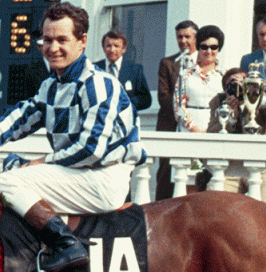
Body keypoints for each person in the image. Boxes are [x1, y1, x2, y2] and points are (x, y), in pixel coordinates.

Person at [0, 2, 146, 272]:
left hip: (103, 178)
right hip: (78, 173)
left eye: (62, 40)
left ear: (82, 41)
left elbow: (92, 149)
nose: (53, 48)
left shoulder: (99, 84)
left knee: (7, 181)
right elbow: (15, 121)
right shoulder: (51, 86)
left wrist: (42, 161)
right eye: (48, 40)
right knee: (10, 164)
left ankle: (68, 246)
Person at [204, 67, 266, 203]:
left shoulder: (259, 97)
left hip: (261, 165)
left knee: (265, 204)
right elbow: (211, 133)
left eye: (243, 82)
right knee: (213, 201)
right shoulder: (219, 102)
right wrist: (230, 118)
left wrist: (258, 97)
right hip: (231, 168)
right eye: (233, 84)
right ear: (225, 90)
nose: (239, 87)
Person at [154, 20, 199, 200]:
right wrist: (181, 115)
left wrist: (191, 119)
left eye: (187, 36)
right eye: (179, 37)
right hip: (170, 124)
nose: (183, 40)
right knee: (166, 172)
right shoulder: (168, 63)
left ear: (196, 38)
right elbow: (164, 96)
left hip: (196, 126)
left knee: (195, 171)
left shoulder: (204, 62)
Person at [174, 25, 225, 133]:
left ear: (219, 48)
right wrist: (194, 129)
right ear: (198, 47)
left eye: (213, 47)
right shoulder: (185, 74)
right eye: (204, 47)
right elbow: (178, 106)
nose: (209, 51)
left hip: (216, 130)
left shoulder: (225, 76)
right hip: (188, 131)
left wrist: (215, 128)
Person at [94, 30, 152, 112]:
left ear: (124, 49)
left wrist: (124, 104)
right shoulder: (94, 69)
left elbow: (146, 99)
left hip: (124, 117)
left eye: (116, 46)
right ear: (103, 48)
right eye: (108, 46)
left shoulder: (135, 70)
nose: (112, 50)